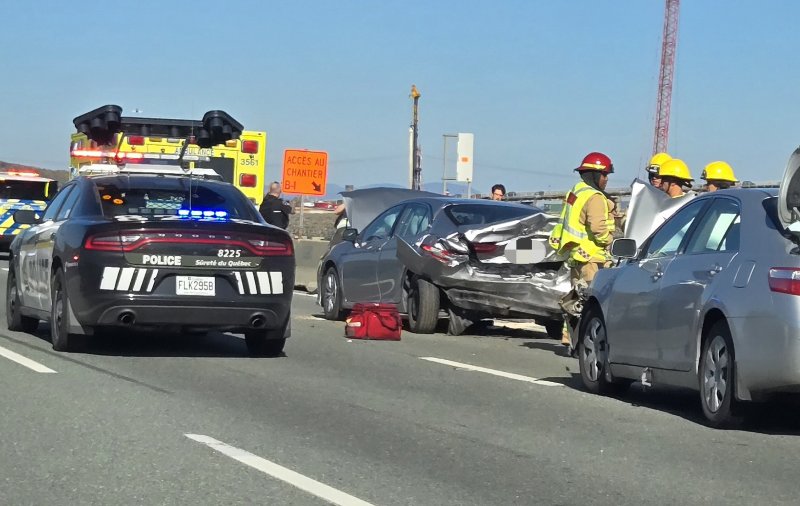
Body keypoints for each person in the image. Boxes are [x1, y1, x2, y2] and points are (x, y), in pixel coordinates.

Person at [548, 152, 616, 345]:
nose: (606, 180)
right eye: (604, 175)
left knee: (578, 299)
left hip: (577, 255)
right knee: (591, 302)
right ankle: (586, 341)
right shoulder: (594, 197)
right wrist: (609, 239)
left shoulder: (576, 191)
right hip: (593, 258)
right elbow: (597, 228)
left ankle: (569, 336)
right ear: (595, 175)